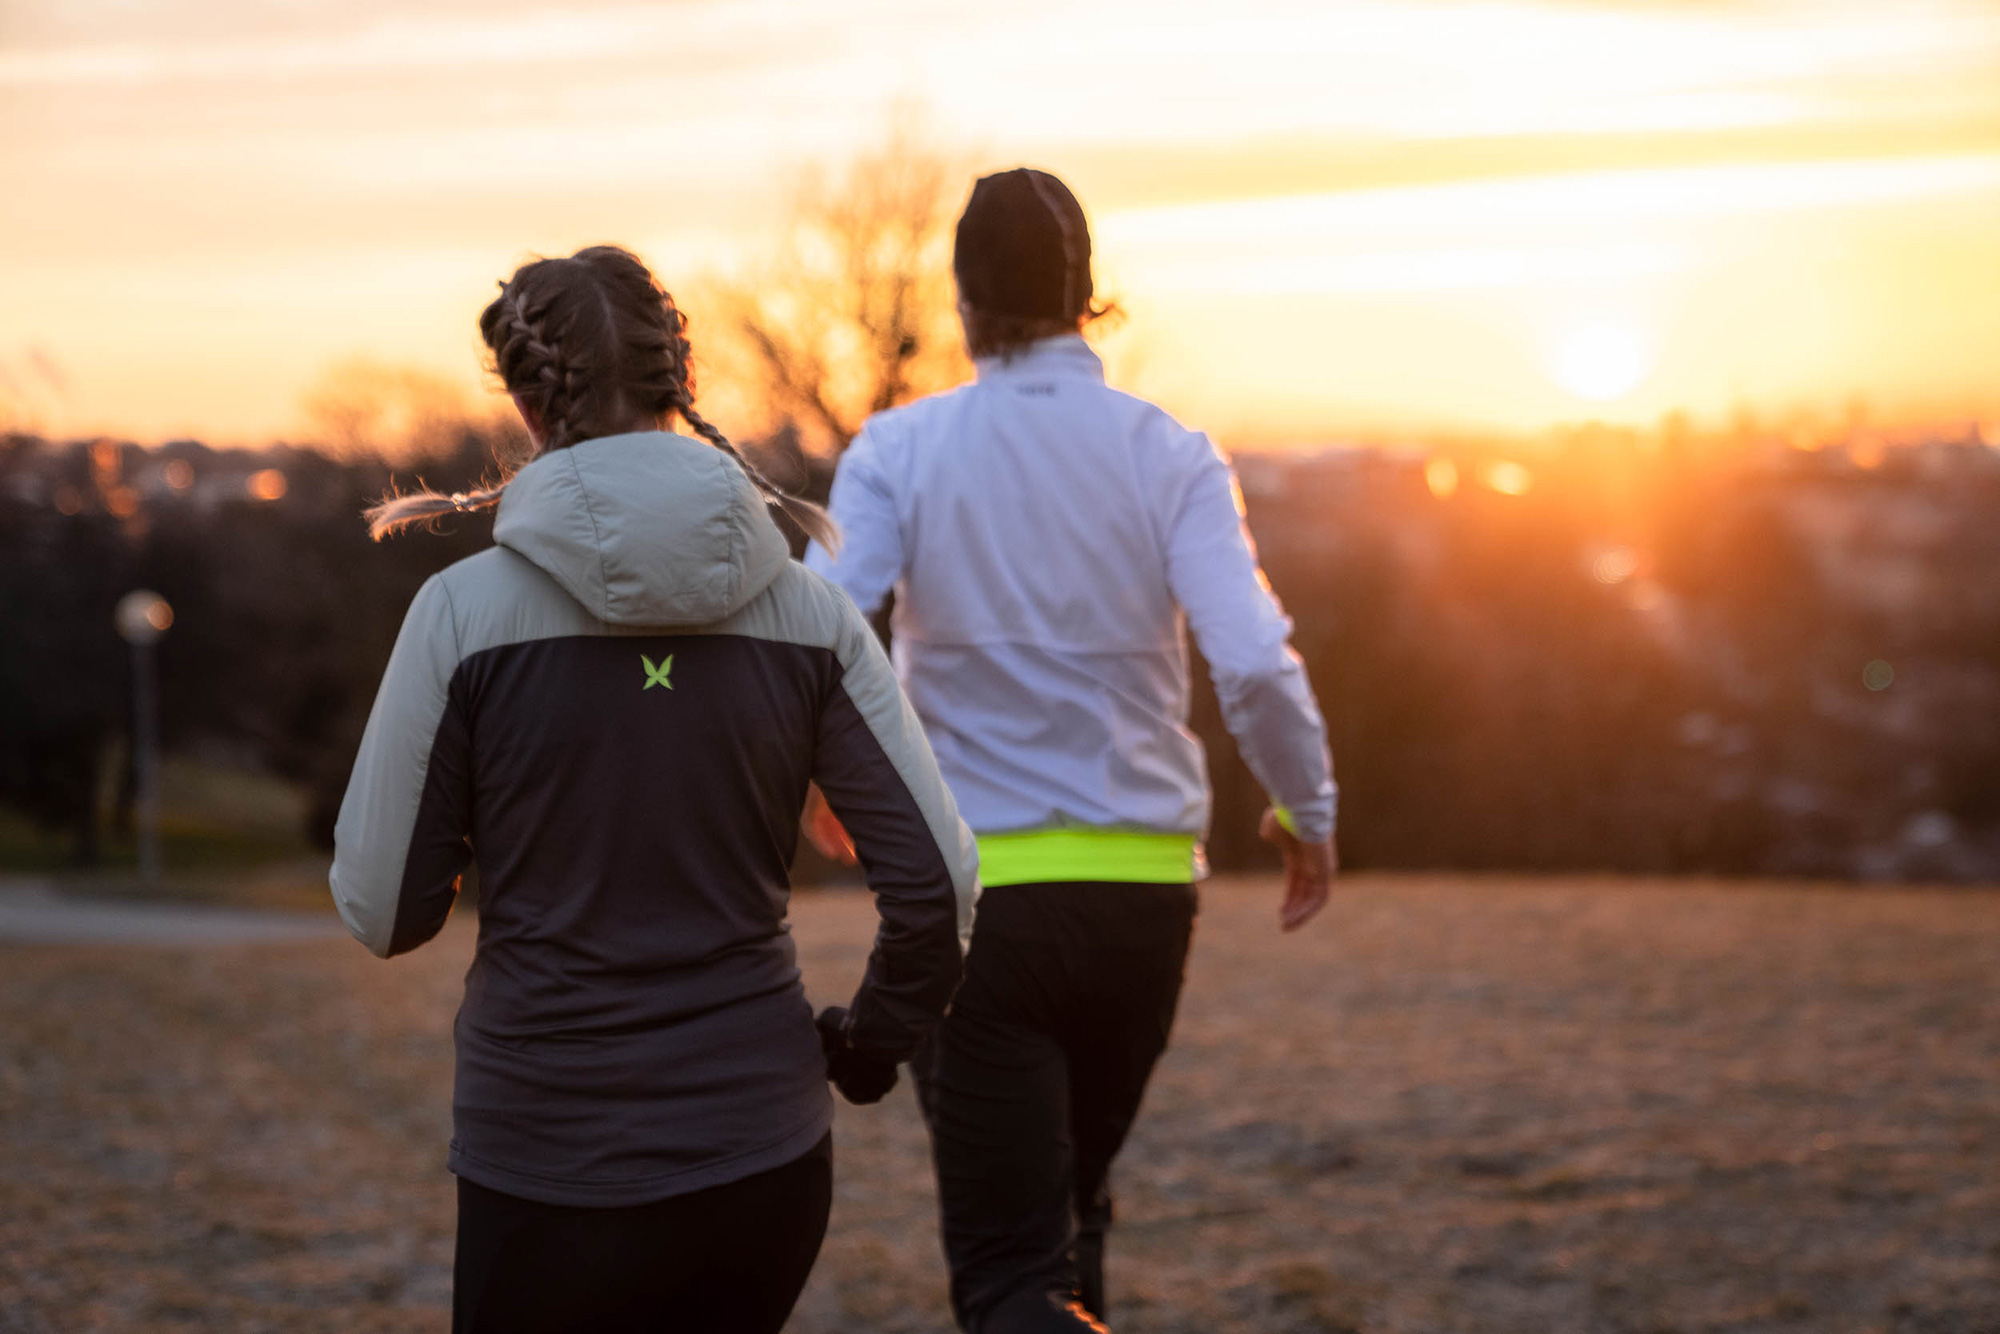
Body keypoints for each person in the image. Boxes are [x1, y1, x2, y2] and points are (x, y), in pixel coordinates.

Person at [329, 244, 978, 1334]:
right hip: (760, 1160)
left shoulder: (459, 613)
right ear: (681, 380)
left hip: (542, 1162)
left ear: (530, 404)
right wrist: (870, 1046)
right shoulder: (807, 614)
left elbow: (383, 907)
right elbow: (938, 884)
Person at [803, 168, 1338, 1333]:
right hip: (1143, 907)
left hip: (974, 909)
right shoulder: (1172, 455)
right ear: (1086, 294)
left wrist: (818, 773)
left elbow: (822, 622)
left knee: (1007, 1279)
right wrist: (1309, 807)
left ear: (963, 300)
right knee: (1063, 1219)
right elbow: (1250, 661)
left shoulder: (899, 449)